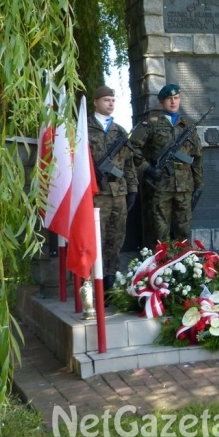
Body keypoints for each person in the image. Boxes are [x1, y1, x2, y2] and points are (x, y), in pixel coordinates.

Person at [130, 83, 203, 244]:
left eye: (176, 98)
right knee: (160, 232)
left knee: (183, 232)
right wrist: (147, 169)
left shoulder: (188, 126)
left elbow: (196, 157)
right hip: (160, 186)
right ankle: (162, 267)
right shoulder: (150, 124)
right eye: (169, 99)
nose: (173, 102)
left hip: (184, 186)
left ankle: (183, 266)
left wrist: (199, 184)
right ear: (162, 102)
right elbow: (132, 149)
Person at [88, 86, 138, 290]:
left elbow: (128, 163)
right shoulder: (84, 128)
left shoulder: (120, 130)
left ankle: (110, 282)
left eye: (113, 100)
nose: (110, 103)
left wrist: (133, 188)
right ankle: (94, 284)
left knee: (115, 239)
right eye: (106, 100)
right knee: (96, 239)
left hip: (118, 192)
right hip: (96, 194)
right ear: (96, 102)